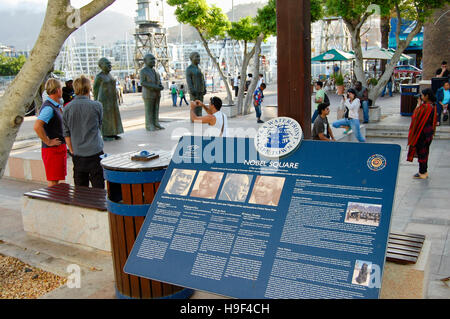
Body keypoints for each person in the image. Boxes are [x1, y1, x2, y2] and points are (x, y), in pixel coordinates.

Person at [63, 75, 105, 189]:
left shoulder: (67, 108)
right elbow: (99, 126)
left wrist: (72, 150)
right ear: (88, 88)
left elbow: (66, 133)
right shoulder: (97, 106)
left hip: (78, 153)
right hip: (95, 151)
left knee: (80, 188)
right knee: (98, 186)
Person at [33, 78, 67, 187]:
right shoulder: (49, 108)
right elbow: (37, 126)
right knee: (53, 181)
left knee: (56, 180)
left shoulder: (54, 106)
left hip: (57, 149)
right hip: (53, 150)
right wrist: (48, 141)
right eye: (61, 88)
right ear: (57, 90)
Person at [407, 88, 437, 179]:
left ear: (427, 96)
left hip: (422, 133)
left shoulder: (426, 107)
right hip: (428, 132)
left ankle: (422, 172)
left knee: (422, 152)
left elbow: (415, 117)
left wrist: (418, 105)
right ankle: (424, 171)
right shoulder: (432, 105)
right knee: (425, 152)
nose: (421, 97)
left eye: (423, 95)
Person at [93, 57, 124, 141]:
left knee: (114, 116)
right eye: (107, 64)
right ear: (101, 65)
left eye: (110, 63)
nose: (110, 65)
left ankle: (114, 132)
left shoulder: (110, 75)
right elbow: (95, 90)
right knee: (106, 118)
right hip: (104, 100)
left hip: (112, 99)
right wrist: (96, 102)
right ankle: (106, 134)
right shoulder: (99, 76)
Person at [140, 53, 165, 131]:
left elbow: (159, 81)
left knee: (156, 109)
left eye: (154, 59)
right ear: (145, 61)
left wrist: (160, 86)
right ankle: (149, 124)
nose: (153, 61)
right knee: (149, 110)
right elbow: (143, 82)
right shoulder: (143, 71)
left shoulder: (156, 71)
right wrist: (155, 87)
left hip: (157, 93)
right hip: (148, 94)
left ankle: (156, 123)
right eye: (151, 59)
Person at [186, 52, 207, 118]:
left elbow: (202, 79)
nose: (198, 58)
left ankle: (199, 117)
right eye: (196, 57)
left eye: (199, 57)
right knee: (194, 107)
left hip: (201, 91)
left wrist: (204, 88)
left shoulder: (199, 68)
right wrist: (192, 90)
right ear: (191, 58)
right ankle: (194, 119)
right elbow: (189, 81)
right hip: (194, 92)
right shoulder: (189, 69)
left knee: (200, 106)